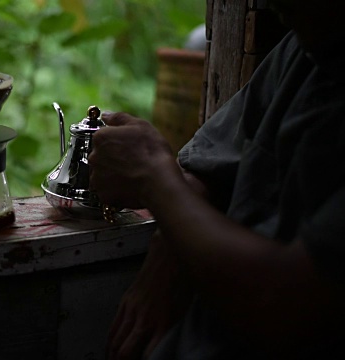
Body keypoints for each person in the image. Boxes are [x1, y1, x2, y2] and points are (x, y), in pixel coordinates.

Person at [88, 1, 345, 359]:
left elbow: (286, 305)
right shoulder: (304, 53)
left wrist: (153, 178)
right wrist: (169, 244)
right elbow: (211, 165)